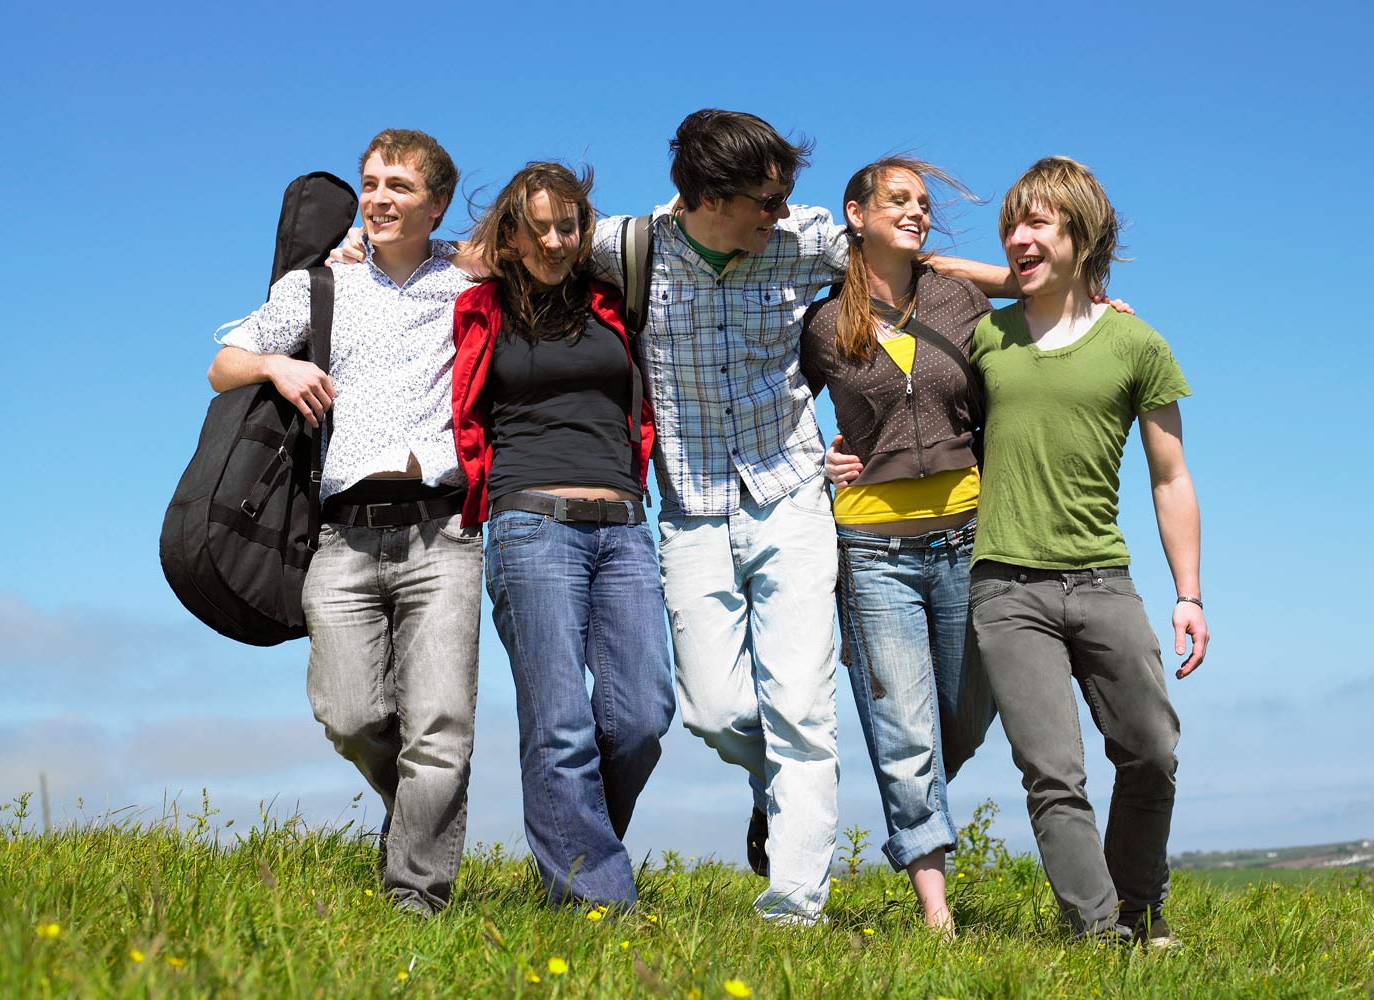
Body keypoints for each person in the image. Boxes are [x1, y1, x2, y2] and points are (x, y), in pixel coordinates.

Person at [586, 111, 1017, 925]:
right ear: (712, 196)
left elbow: (910, 262)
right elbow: (524, 250)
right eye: (764, 202)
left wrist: (1039, 285)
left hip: (791, 496)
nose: (781, 213)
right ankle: (774, 787)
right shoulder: (630, 247)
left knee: (804, 710)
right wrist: (377, 255)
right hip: (692, 505)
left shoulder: (808, 235)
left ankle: (794, 903)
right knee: (716, 711)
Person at [208, 129, 482, 916]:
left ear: (434, 202)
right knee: (349, 712)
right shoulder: (320, 286)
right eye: (370, 184)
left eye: (399, 186)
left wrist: (469, 250)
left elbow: (533, 250)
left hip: (444, 530)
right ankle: (415, 820)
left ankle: (416, 893)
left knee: (441, 725)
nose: (378, 199)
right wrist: (275, 364)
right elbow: (223, 361)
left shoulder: (466, 284)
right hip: (344, 531)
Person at [966, 156, 1208, 945]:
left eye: (1037, 222)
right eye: (1012, 224)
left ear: (1081, 232)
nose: (1017, 237)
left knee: (1151, 752)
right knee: (1052, 774)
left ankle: (1141, 911)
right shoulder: (984, 337)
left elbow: (1170, 478)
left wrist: (1189, 593)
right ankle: (1099, 935)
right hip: (1006, 586)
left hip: (1104, 580)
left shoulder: (1136, 343)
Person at [450, 162, 674, 909]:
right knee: (560, 725)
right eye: (537, 226)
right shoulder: (480, 306)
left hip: (623, 524)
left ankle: (574, 856)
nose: (554, 239)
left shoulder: (615, 299)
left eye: (567, 225)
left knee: (642, 716)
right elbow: (413, 263)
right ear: (509, 235)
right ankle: (598, 906)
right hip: (529, 522)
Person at [798, 158, 996, 931]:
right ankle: (936, 914)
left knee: (965, 717)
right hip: (873, 546)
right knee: (903, 730)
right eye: (899, 201)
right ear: (856, 212)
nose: (917, 212)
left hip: (969, 535)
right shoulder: (822, 323)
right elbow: (778, 417)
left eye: (923, 204)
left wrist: (1090, 303)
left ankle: (917, 809)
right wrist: (819, 457)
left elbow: (1025, 319)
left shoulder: (959, 298)